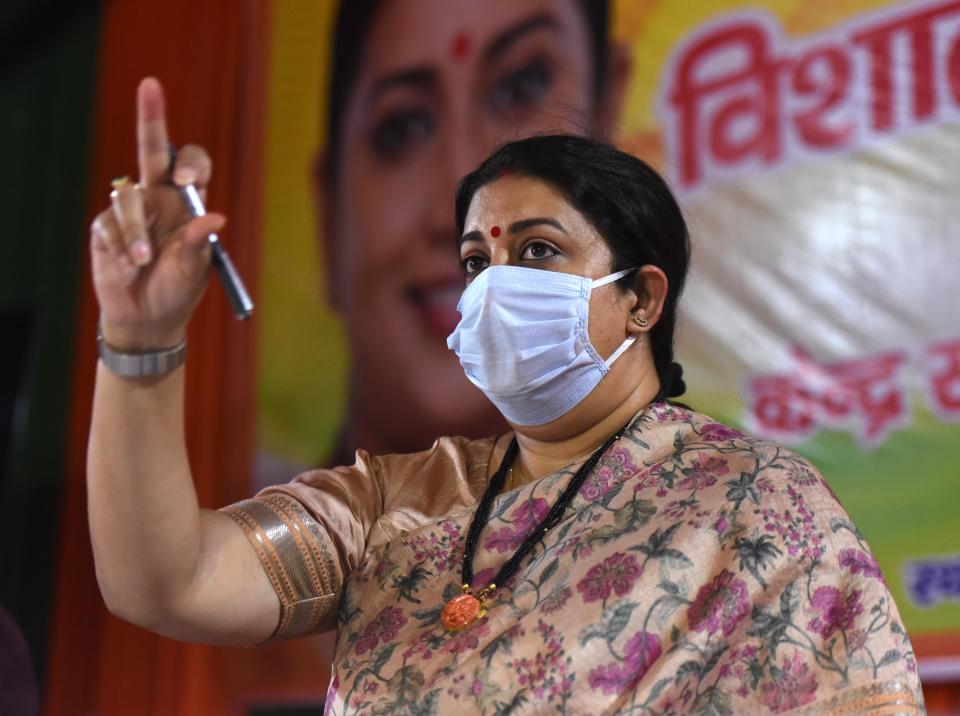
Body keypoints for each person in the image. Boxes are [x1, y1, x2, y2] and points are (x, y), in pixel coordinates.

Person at [89, 82, 924, 713]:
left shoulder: (751, 502)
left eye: (538, 251)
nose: (494, 289)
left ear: (640, 299)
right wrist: (139, 337)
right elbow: (169, 582)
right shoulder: (396, 502)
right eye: (478, 263)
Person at [283, 0, 629, 469]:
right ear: (330, 216)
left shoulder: (712, 514)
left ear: (609, 121)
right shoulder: (256, 537)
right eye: (404, 126)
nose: (460, 215)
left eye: (520, 86)